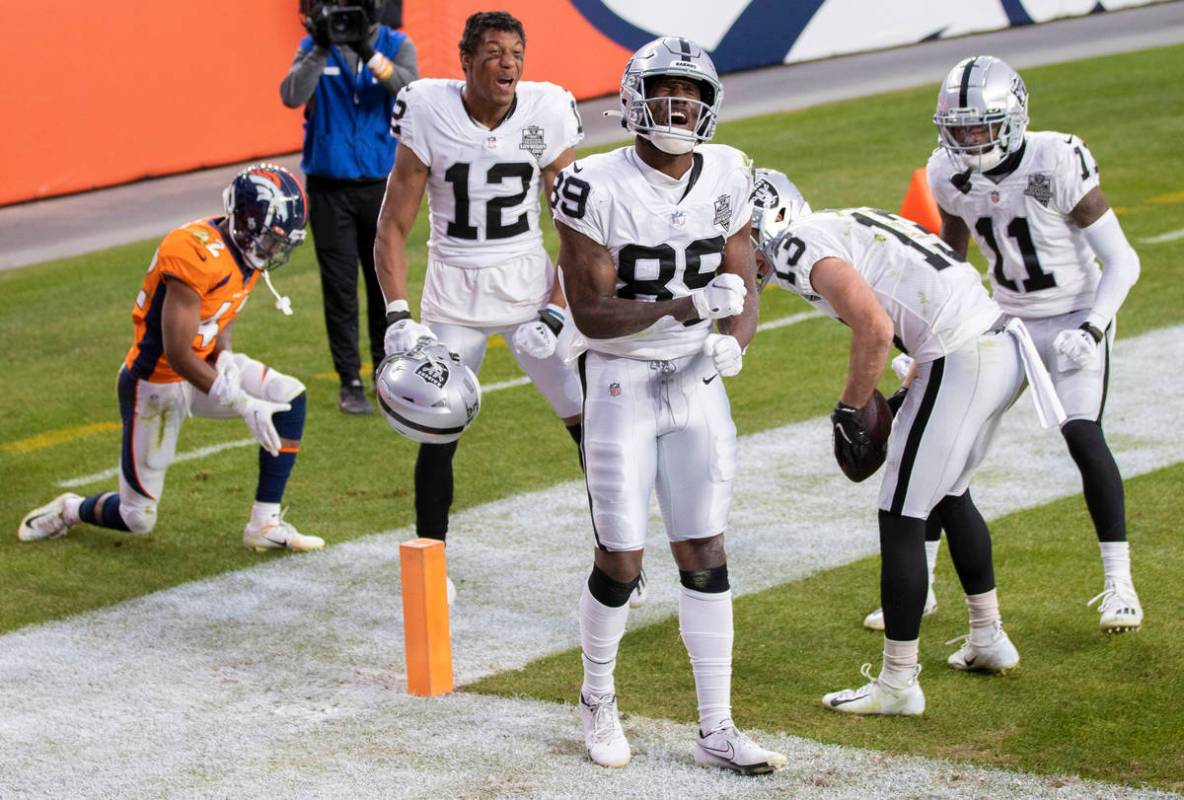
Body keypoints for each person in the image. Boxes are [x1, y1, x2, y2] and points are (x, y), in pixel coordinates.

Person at [554, 37, 786, 774]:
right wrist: (688, 310)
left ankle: (716, 726)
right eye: (665, 92)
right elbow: (590, 314)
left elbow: (743, 279)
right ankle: (596, 700)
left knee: (705, 550)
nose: (679, 105)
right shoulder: (591, 183)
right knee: (621, 560)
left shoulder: (729, 172)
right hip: (620, 380)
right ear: (633, 101)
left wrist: (736, 342)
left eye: (691, 93)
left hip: (696, 383)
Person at [757, 189, 1065, 715]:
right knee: (950, 493)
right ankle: (988, 637)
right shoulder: (844, 218)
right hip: (998, 346)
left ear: (767, 220)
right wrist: (907, 392)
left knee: (900, 513)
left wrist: (852, 409)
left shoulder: (796, 244)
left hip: (963, 354)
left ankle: (898, 683)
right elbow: (922, 294)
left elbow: (877, 328)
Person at [928, 56, 1143, 632]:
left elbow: (1123, 259)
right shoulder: (946, 174)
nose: (970, 140)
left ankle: (1119, 584)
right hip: (1007, 323)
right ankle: (919, 586)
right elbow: (951, 260)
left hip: (1074, 314)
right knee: (946, 445)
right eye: (960, 128)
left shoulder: (1057, 158)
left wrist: (1094, 326)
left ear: (1014, 118)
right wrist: (930, 333)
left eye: (982, 126)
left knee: (1082, 432)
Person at [18, 165, 323, 553]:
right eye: (268, 240)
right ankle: (69, 509)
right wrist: (242, 402)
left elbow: (221, 311)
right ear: (244, 222)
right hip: (157, 382)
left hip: (205, 368)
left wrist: (225, 354)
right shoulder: (192, 251)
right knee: (137, 517)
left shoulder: (243, 248)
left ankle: (264, 524)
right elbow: (177, 355)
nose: (273, 251)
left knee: (289, 396)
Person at [373, 11, 585, 553]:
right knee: (435, 429)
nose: (507, 61)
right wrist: (397, 313)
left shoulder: (548, 110)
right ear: (465, 61)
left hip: (530, 293)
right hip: (453, 299)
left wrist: (557, 310)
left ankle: (618, 551)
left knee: (592, 425)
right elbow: (392, 226)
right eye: (492, 51)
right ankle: (430, 565)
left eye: (515, 51)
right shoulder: (427, 109)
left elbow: (579, 232)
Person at [281, 0, 418, 415]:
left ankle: (385, 372)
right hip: (329, 188)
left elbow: (409, 92)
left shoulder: (397, 44)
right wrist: (321, 49)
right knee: (339, 288)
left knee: (382, 285)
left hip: (379, 185)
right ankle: (350, 381)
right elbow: (291, 95)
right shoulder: (313, 46)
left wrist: (368, 53)